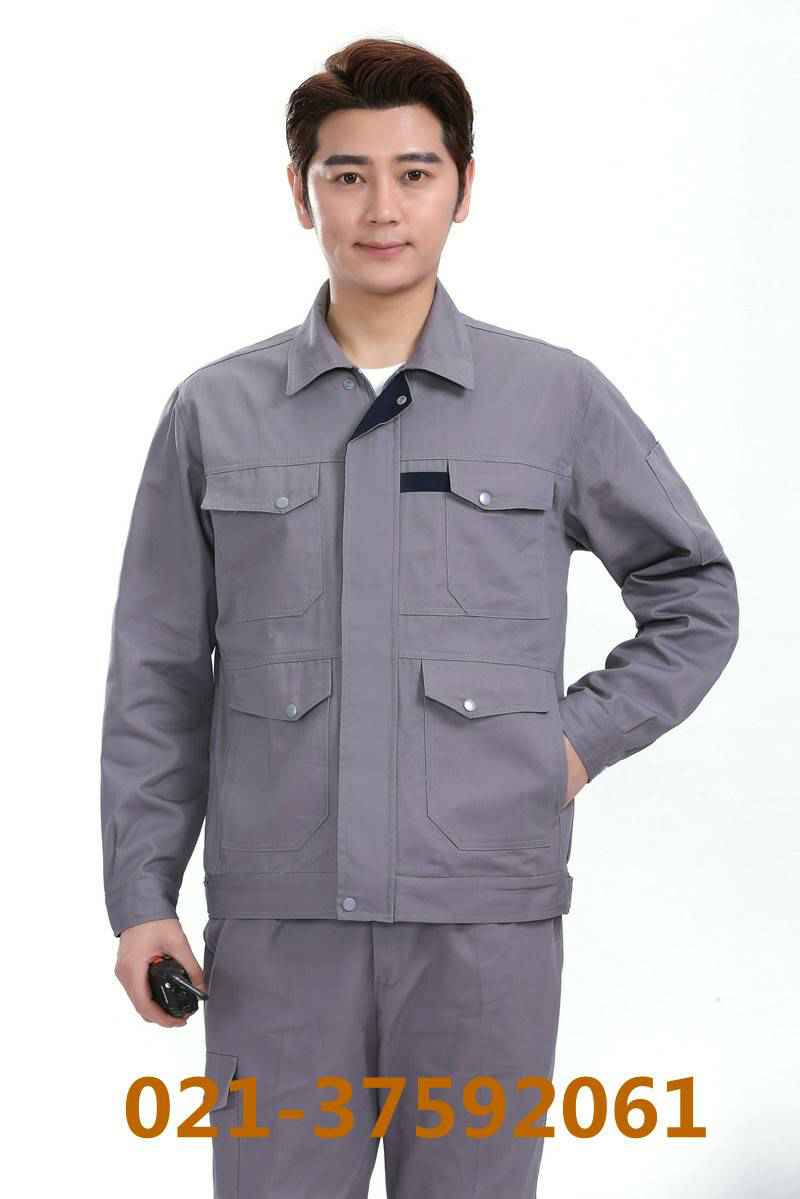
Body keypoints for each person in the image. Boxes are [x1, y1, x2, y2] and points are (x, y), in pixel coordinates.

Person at [101, 36, 739, 1198]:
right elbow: (158, 671)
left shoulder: (551, 398)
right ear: (300, 192)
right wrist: (143, 898)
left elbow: (692, 594)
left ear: (462, 186)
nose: (381, 208)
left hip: (482, 929)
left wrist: (569, 742)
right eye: (346, 175)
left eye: (413, 172)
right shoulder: (214, 411)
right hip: (281, 937)